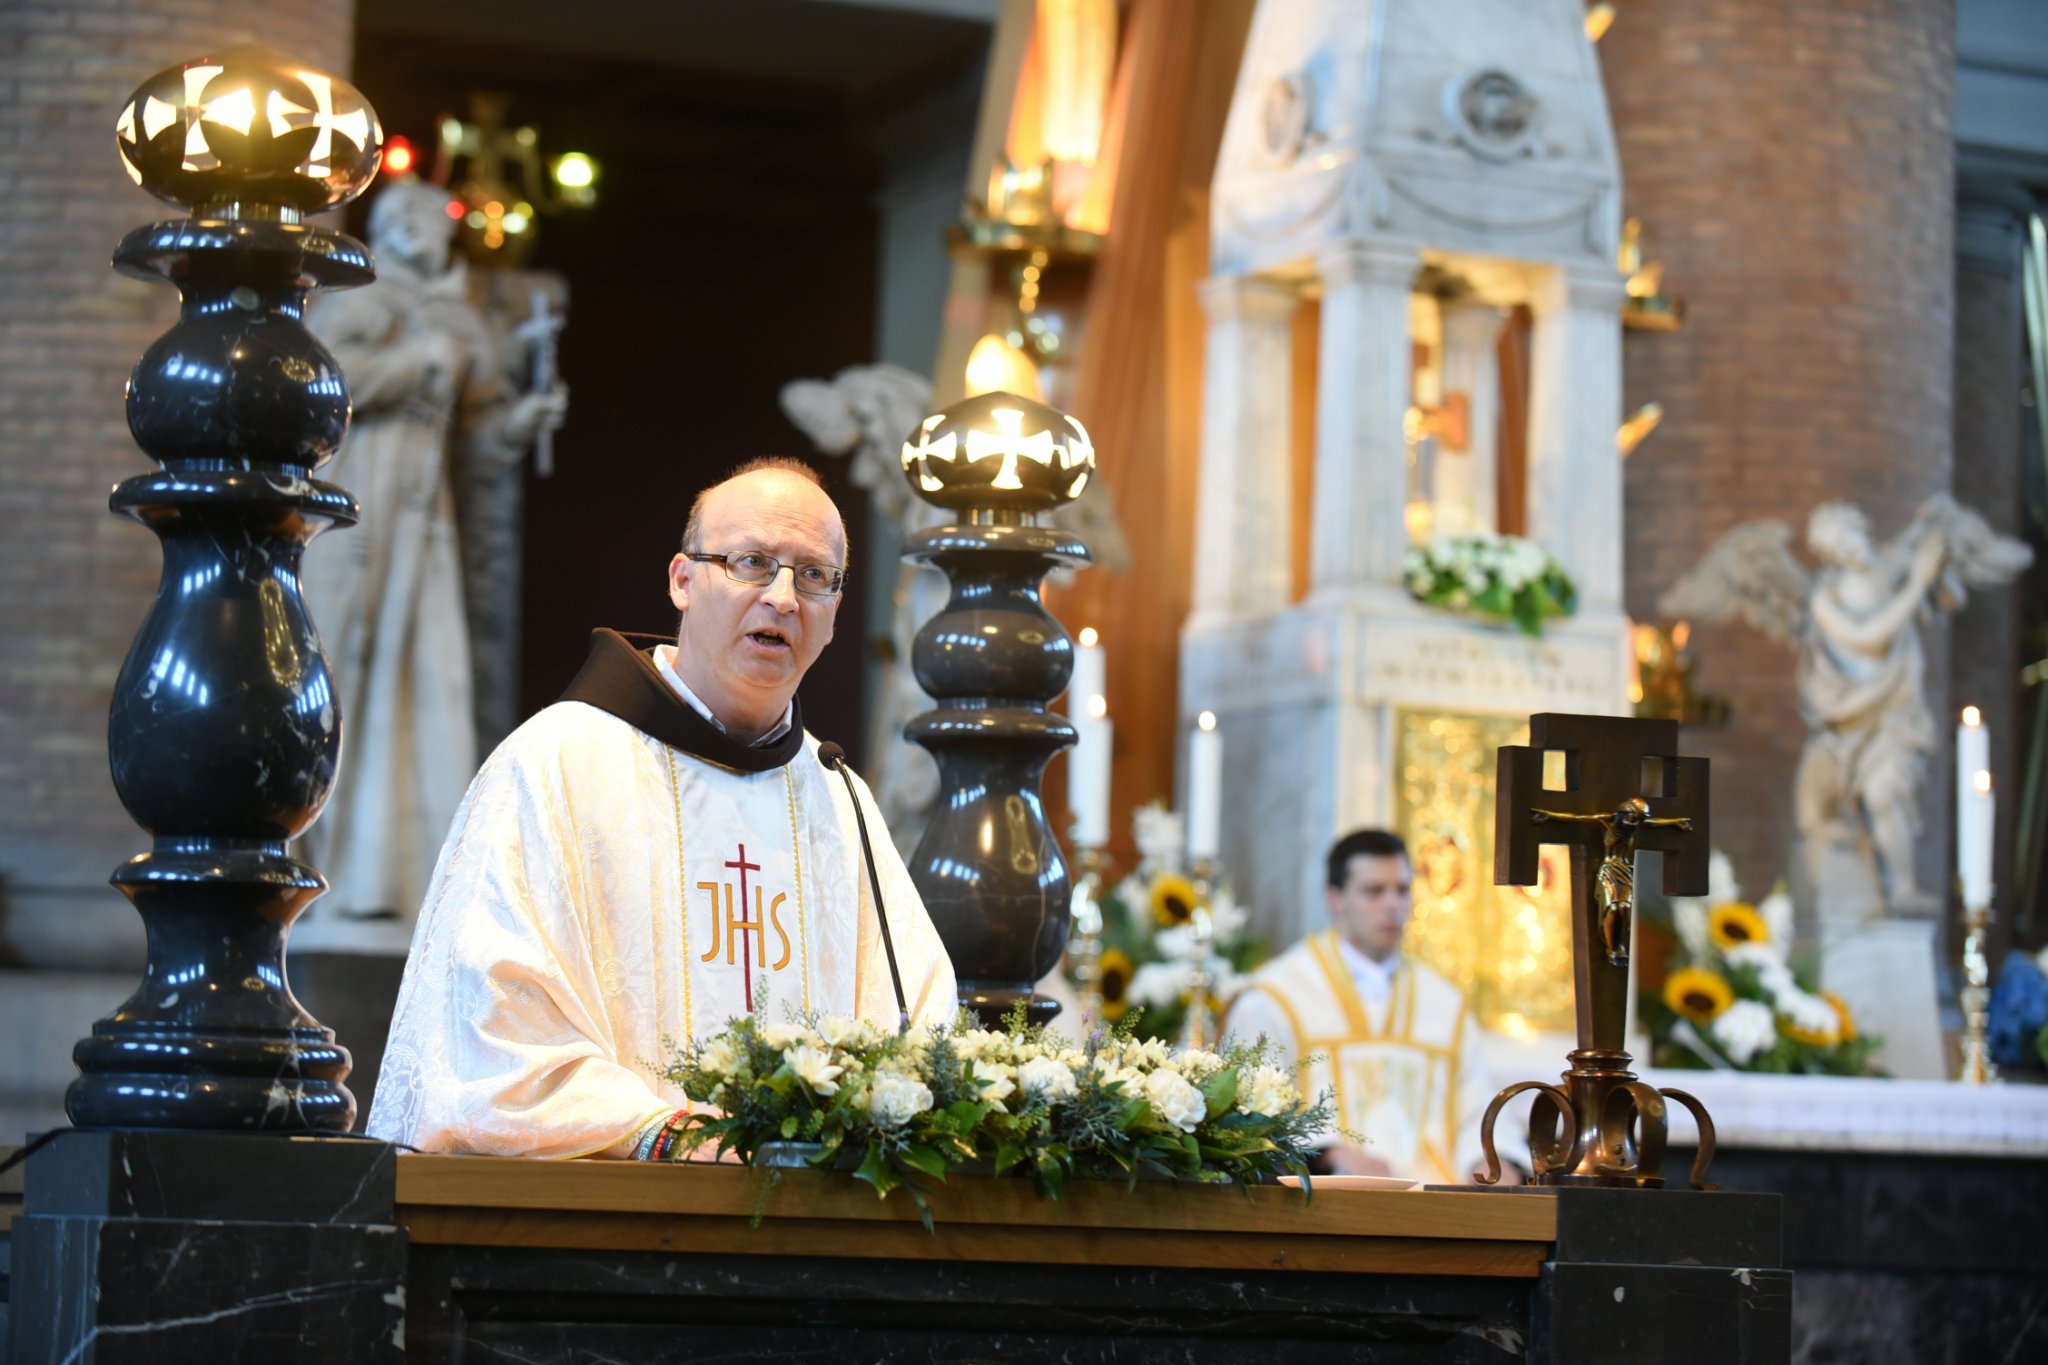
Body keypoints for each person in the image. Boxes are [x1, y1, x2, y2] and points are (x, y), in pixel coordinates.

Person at [368, 460, 957, 1158]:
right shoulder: (557, 764)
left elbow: (919, 1025)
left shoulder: (840, 798)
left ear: (834, 613)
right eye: (751, 563)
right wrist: (669, 1139)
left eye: (813, 576)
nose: (783, 598)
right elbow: (488, 1036)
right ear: (682, 579)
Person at [1223, 830, 1523, 1184]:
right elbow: (1249, 1113)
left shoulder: (1445, 1004)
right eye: (1374, 891)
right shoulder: (1275, 996)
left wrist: (1491, 1160)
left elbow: (1476, 1108)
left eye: (1402, 890)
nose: (1393, 904)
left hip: (1435, 1200)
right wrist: (1326, 1152)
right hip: (1327, 1196)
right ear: (1334, 899)